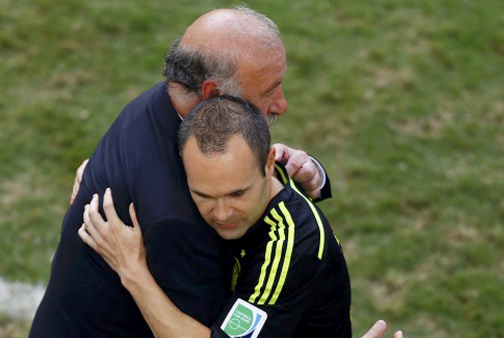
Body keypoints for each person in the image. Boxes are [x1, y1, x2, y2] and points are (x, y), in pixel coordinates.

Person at [30, 6, 331, 337]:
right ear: (213, 95)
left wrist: (308, 172)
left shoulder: (161, 104)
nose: (281, 105)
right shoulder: (177, 218)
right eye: (267, 92)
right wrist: (133, 272)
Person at [79, 96, 402, 338]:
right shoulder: (254, 174)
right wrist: (96, 175)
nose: (221, 214)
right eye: (203, 195)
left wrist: (131, 269)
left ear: (268, 163)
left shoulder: (290, 248)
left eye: (237, 194)